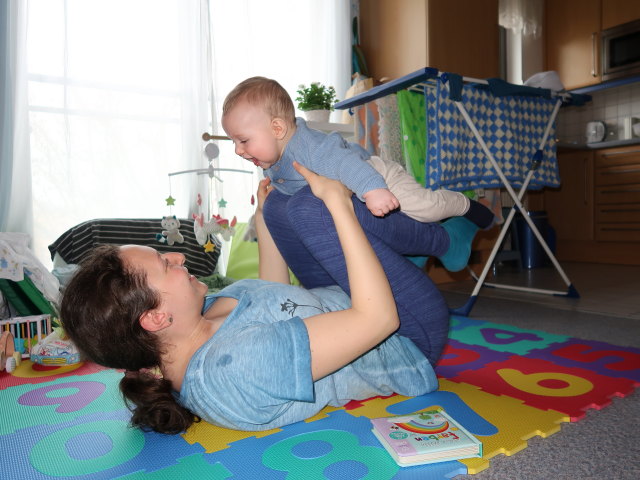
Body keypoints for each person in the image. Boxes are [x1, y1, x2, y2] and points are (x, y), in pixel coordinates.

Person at [60, 162, 453, 434]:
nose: (178, 257)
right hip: (404, 336)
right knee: (315, 208)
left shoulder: (201, 319)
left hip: (343, 299)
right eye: (166, 264)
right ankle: (448, 237)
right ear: (156, 317)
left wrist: (263, 220)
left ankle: (410, 238)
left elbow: (276, 299)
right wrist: (339, 204)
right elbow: (378, 320)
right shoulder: (234, 368)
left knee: (282, 209)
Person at [221, 76, 495, 272]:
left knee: (424, 208)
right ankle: (420, 250)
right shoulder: (270, 160)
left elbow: (345, 164)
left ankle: (465, 204)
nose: (237, 150)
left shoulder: (308, 146)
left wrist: (373, 188)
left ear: (278, 129)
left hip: (373, 173)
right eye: (234, 142)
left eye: (243, 141)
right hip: (353, 189)